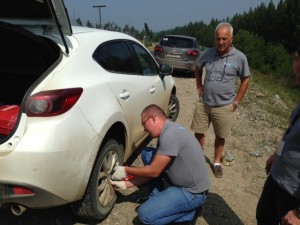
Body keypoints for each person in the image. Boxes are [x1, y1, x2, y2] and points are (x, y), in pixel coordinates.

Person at [110, 104, 211, 225]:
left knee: (145, 215)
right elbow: (152, 172)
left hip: (192, 193)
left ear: (153, 118)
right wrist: (125, 184)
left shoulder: (170, 135)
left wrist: (126, 170)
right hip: (186, 180)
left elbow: (153, 172)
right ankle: (157, 198)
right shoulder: (169, 129)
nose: (144, 129)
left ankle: (191, 212)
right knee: (147, 154)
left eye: (144, 124)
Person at [191, 22, 251, 178]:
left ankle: (217, 162)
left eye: (224, 38)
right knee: (199, 132)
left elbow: (245, 79)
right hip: (204, 103)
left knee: (220, 135)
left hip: (224, 106)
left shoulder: (240, 57)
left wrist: (236, 102)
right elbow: (197, 68)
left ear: (232, 38)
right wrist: (199, 85)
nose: (221, 42)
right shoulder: (209, 53)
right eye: (218, 39)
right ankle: (197, 159)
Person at [256, 47, 300, 225]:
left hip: (293, 193)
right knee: (263, 217)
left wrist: (299, 213)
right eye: (296, 76)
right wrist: (277, 154)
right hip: (278, 176)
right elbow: (291, 132)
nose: (297, 83)